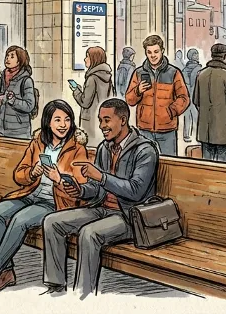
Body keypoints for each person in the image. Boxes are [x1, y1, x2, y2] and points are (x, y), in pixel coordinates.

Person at [0, 100, 88, 293]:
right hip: (30, 193)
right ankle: (6, 272)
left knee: (19, 220)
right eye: (58, 120)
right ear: (48, 122)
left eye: (67, 120)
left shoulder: (77, 149)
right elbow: (19, 174)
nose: (63, 124)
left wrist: (59, 179)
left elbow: (79, 185)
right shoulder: (38, 143)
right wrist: (33, 172)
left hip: (54, 202)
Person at [42, 98, 159, 298]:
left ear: (123, 120)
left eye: (106, 120)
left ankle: (83, 295)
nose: (102, 126)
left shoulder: (145, 150)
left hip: (129, 216)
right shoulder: (105, 148)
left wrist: (102, 177)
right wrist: (80, 190)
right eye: (100, 120)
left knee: (89, 233)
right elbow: (97, 189)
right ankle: (55, 286)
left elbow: (136, 191)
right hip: (101, 209)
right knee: (52, 221)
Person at [124, 35, 189, 156]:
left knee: (169, 165)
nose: (152, 55)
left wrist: (171, 111)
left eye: (156, 51)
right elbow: (129, 100)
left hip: (167, 130)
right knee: (144, 164)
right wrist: (138, 91)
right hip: (144, 129)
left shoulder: (173, 72)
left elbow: (184, 98)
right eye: (149, 52)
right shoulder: (138, 73)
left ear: (162, 51)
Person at [192, 44, 226, 162]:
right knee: (223, 168)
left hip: (205, 132)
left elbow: (196, 101)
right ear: (225, 56)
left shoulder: (201, 74)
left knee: (207, 166)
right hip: (224, 133)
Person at [72, 46, 113, 147]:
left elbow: (85, 102)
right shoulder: (107, 77)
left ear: (94, 59)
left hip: (90, 121)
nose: (85, 59)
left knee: (89, 148)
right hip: (103, 119)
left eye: (87, 57)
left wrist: (76, 91)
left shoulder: (92, 78)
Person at [0, 45, 36, 139]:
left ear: (20, 60)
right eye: (7, 56)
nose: (7, 59)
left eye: (12, 56)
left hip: (19, 131)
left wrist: (13, 101)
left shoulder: (26, 80)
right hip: (1, 129)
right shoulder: (3, 77)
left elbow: (29, 106)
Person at [181, 49, 202, 143]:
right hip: (195, 95)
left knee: (187, 115)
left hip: (186, 95)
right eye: (195, 54)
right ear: (191, 56)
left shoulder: (184, 69)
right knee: (196, 115)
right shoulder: (199, 69)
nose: (197, 56)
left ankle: (186, 135)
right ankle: (198, 135)